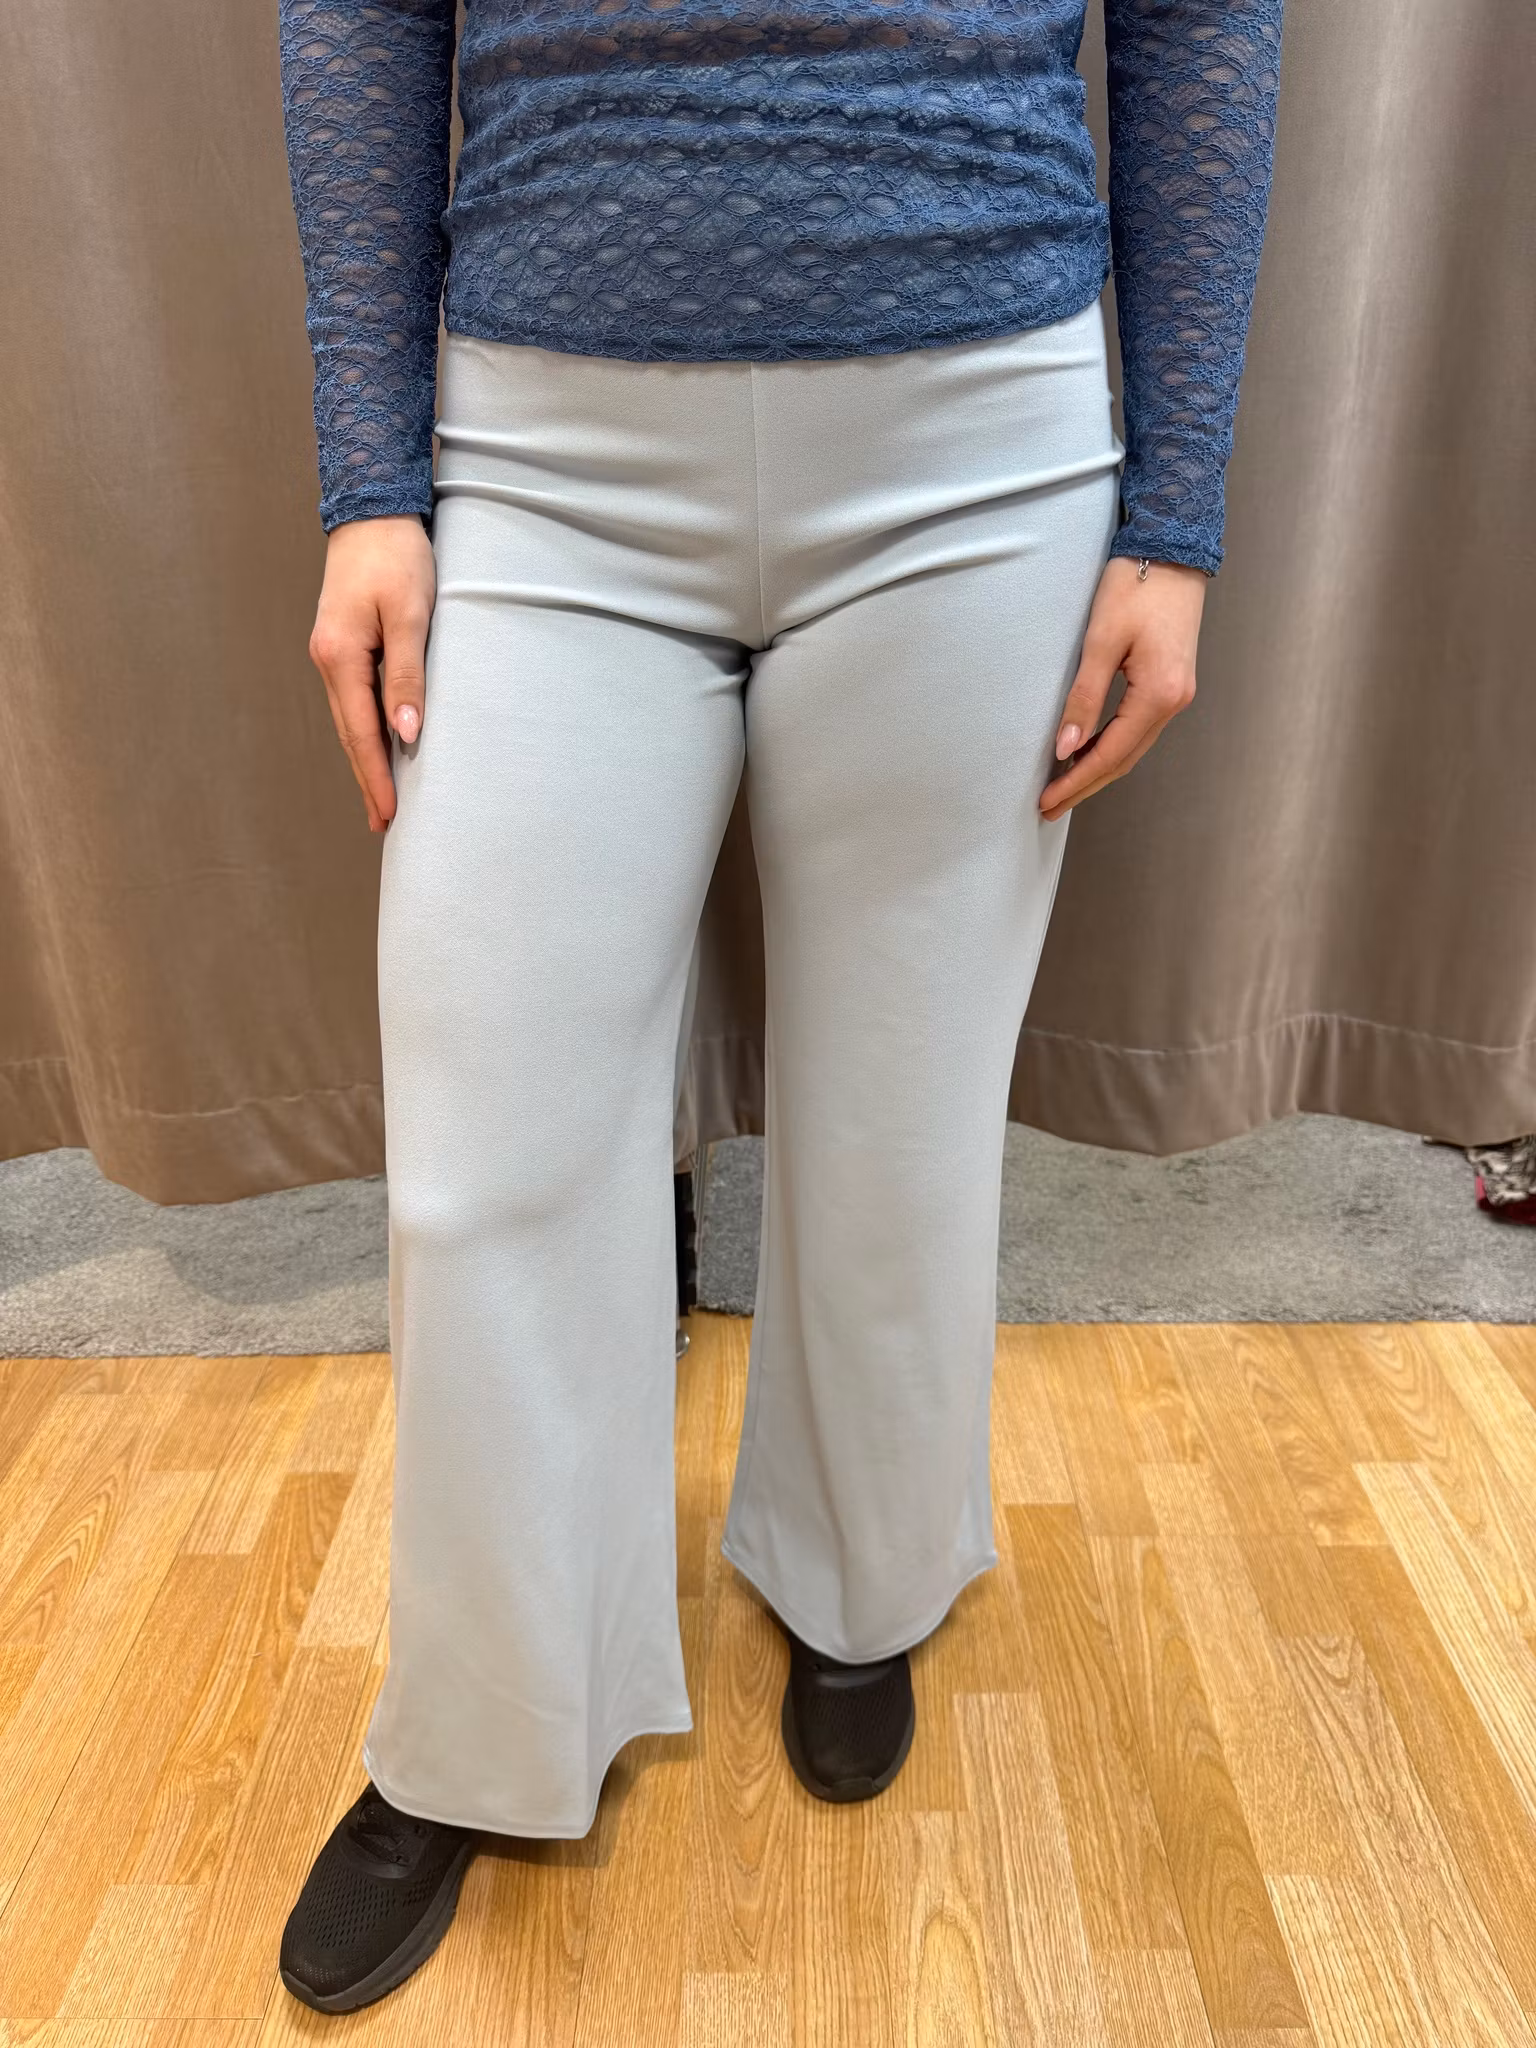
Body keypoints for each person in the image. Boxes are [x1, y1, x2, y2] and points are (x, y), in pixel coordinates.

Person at [274, 0, 1283, 2012]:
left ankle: (857, 1575)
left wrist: (1177, 509)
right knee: (484, 1156)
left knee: (899, 1114)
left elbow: (1200, 20)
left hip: (977, 436)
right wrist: (369, 478)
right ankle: (483, 1723)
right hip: (539, 448)